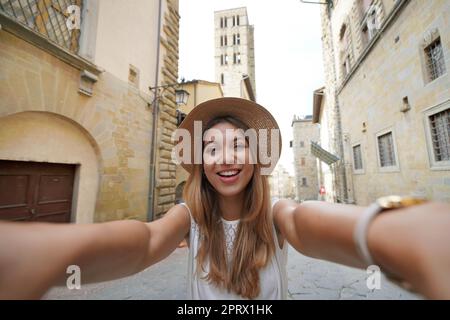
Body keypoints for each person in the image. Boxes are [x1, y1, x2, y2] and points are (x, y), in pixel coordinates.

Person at [0, 98, 449, 300]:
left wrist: (380, 229)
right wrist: (61, 250)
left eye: (238, 145)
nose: (226, 157)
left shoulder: (275, 213)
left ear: (255, 157)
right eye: (211, 147)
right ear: (200, 161)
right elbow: (144, 242)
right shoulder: (188, 216)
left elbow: (305, 223)